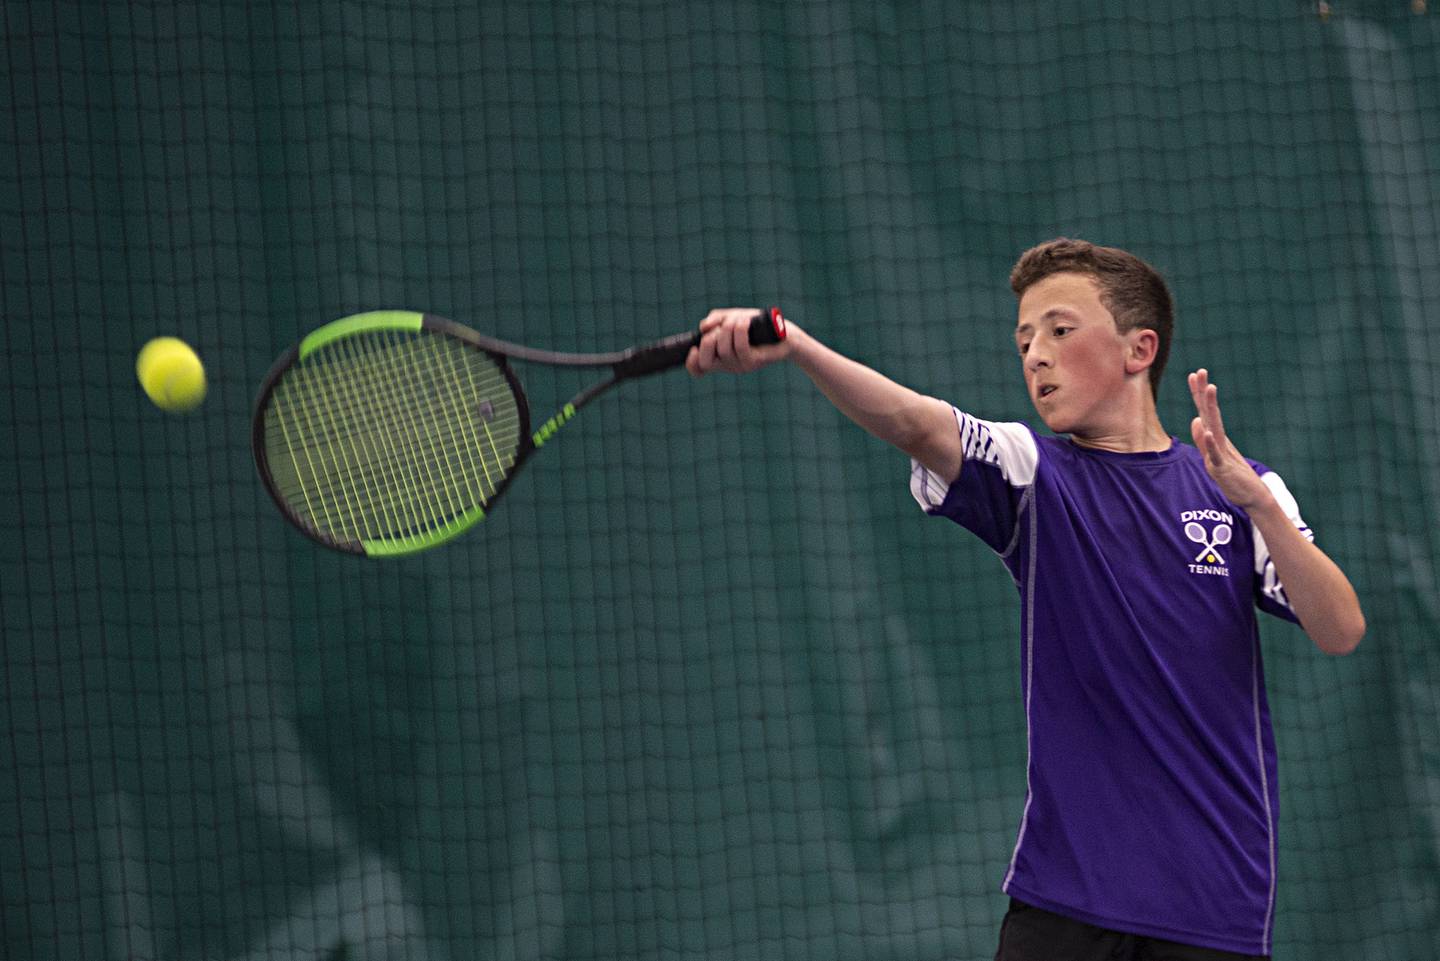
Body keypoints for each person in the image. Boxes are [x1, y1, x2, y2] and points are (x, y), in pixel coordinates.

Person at [685, 238, 1365, 961]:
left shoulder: (1240, 491)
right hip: (1063, 903)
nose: (1035, 354)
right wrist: (795, 345)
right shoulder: (1033, 472)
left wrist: (1257, 504)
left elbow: (1340, 628)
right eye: (1024, 339)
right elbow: (916, 423)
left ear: (1140, 349)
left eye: (1060, 331)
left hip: (1214, 904)